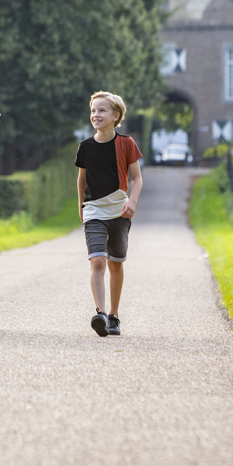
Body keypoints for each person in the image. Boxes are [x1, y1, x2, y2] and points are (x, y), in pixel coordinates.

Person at [75, 91, 143, 337]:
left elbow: (137, 178)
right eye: (93, 110)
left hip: (120, 212)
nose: (96, 115)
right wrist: (81, 206)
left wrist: (132, 201)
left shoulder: (126, 144)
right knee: (98, 260)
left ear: (116, 116)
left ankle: (114, 316)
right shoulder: (85, 147)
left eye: (101, 110)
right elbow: (81, 180)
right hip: (94, 210)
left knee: (116, 263)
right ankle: (100, 314)